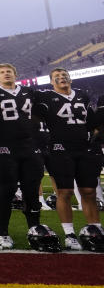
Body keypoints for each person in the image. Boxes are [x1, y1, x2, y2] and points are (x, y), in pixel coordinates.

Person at [33, 68, 103, 250]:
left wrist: (92, 137)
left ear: (70, 79)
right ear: (51, 82)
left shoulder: (81, 95)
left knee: (89, 191)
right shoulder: (45, 96)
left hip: (84, 148)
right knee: (64, 192)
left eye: (64, 75)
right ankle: (69, 233)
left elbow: (94, 122)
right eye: (56, 77)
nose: (61, 78)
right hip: (60, 149)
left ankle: (95, 230)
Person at [0, 63, 43, 248]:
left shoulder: (28, 91)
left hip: (28, 145)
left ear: (16, 74)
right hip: (6, 146)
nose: (6, 74)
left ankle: (34, 229)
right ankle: (3, 232)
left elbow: (39, 113)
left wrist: (30, 126)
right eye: (2, 72)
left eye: (9, 72)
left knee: (31, 191)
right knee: (7, 190)